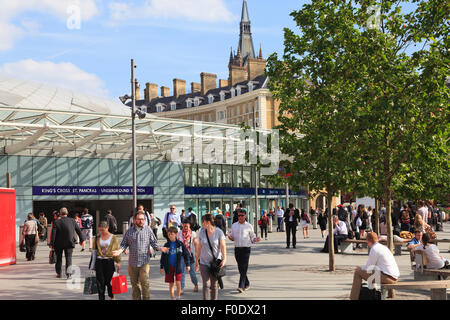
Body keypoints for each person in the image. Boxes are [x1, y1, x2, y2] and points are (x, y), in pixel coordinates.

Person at [113, 211, 169, 300]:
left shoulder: (148, 230)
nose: (141, 221)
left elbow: (154, 243)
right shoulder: (129, 231)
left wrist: (160, 248)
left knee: (145, 283)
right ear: (134, 220)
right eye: (139, 219)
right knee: (135, 285)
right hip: (132, 263)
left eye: (142, 219)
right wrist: (119, 251)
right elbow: (124, 244)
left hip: (144, 262)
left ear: (145, 220)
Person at [349, 232, 400, 300]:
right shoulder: (383, 247)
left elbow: (368, 267)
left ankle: (353, 298)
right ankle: (373, 295)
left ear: (368, 240)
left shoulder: (374, 249)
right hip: (393, 277)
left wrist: (360, 268)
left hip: (388, 278)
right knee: (372, 272)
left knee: (358, 273)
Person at [195, 214, 227, 300]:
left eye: (203, 222)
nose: (201, 223)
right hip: (203, 262)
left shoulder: (219, 232)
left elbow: (223, 246)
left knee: (214, 285)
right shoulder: (202, 232)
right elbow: (199, 247)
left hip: (215, 263)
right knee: (206, 284)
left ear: (208, 222)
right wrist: (196, 260)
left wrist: (224, 259)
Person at [228, 210, 260, 293]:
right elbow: (232, 236)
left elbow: (252, 236)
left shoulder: (249, 226)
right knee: (240, 268)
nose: (240, 217)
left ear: (245, 216)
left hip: (246, 249)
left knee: (244, 267)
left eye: (242, 215)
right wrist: (229, 237)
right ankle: (247, 283)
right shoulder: (234, 225)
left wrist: (255, 239)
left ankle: (241, 286)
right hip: (237, 249)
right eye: (238, 216)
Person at [50, 207, 85, 279]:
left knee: (59, 259)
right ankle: (69, 274)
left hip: (58, 244)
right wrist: (82, 240)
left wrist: (52, 244)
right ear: (67, 213)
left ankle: (59, 273)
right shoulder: (72, 220)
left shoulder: (56, 222)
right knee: (69, 258)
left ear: (60, 213)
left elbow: (53, 234)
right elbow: (78, 230)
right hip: (69, 242)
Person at [160, 226, 191, 300]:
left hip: (178, 266)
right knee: (171, 283)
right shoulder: (166, 245)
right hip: (169, 266)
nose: (170, 235)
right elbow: (163, 257)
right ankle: (172, 297)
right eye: (169, 234)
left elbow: (186, 254)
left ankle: (178, 297)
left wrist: (188, 264)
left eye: (171, 234)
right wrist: (161, 267)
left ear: (176, 234)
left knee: (178, 282)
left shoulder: (180, 244)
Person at [93, 221, 121, 300]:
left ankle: (111, 296)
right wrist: (92, 265)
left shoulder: (113, 237)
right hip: (99, 262)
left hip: (109, 261)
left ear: (107, 228)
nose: (101, 232)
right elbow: (94, 251)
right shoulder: (97, 237)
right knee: (100, 283)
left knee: (109, 282)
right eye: (100, 230)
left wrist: (118, 262)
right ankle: (101, 298)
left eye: (103, 230)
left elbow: (116, 250)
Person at [178, 218, 199, 293]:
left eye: (187, 226)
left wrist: (197, 257)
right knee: (182, 272)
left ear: (189, 225)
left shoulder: (193, 233)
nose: (185, 228)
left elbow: (196, 245)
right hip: (182, 256)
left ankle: (196, 284)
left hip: (190, 255)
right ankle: (181, 288)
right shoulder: (179, 233)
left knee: (192, 272)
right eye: (184, 226)